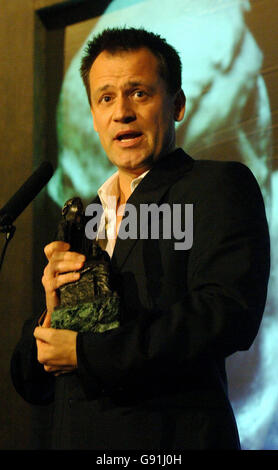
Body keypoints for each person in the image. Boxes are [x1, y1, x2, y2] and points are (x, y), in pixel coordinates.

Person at [11, 28, 270, 450]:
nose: (122, 113)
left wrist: (87, 354)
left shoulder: (216, 186)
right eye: (106, 98)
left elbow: (225, 314)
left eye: (139, 94)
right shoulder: (87, 217)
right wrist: (50, 316)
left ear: (178, 104)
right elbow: (32, 382)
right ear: (94, 115)